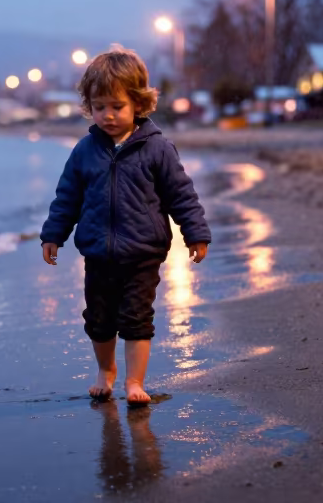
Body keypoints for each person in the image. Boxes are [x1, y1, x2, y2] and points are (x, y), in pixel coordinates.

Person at [40, 49, 210, 405]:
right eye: (99, 106)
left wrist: (195, 233)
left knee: (136, 318)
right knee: (99, 319)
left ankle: (135, 381)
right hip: (98, 253)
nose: (108, 115)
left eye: (116, 106)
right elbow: (67, 197)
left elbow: (181, 194)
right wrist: (54, 234)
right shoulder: (85, 151)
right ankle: (106, 371)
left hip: (142, 253)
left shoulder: (157, 149)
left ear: (138, 103)